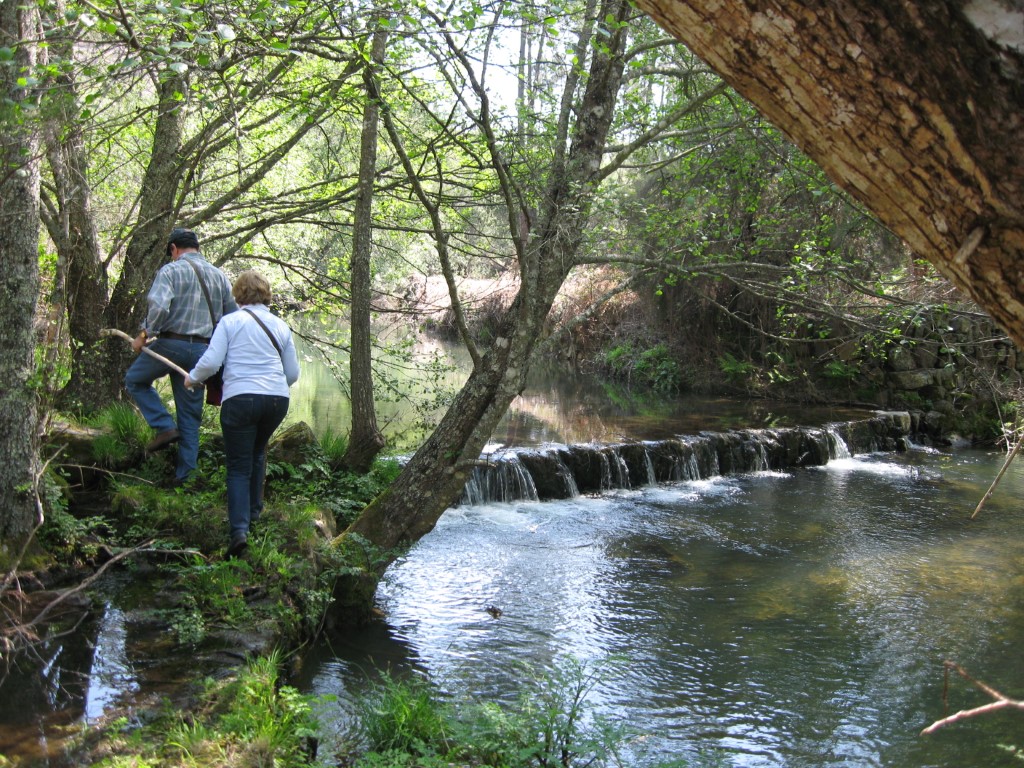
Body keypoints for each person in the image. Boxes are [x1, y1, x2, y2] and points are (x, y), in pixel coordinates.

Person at [185, 270, 300, 558]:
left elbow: (211, 362)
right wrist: (270, 388)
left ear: (238, 294)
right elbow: (293, 374)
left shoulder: (230, 322)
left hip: (240, 399)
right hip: (276, 401)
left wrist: (191, 378)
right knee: (258, 452)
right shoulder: (281, 326)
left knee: (238, 464)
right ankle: (254, 512)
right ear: (266, 293)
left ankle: (239, 532)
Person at [126, 228, 237, 486]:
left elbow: (160, 306)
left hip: (170, 345)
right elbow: (230, 318)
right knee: (190, 418)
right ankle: (185, 480)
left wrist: (144, 334)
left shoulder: (170, 270)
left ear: (174, 248)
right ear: (197, 247)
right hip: (202, 353)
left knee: (135, 380)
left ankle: (164, 426)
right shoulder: (219, 276)